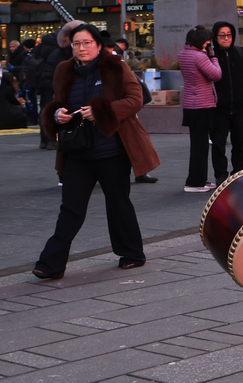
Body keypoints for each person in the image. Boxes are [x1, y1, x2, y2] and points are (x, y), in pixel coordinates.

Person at [33, 24, 157, 279]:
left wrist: (100, 111)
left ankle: (132, 253)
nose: (82, 48)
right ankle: (50, 264)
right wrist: (57, 114)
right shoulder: (63, 69)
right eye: (76, 44)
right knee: (70, 208)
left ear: (98, 45)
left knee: (118, 203)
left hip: (112, 150)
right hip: (77, 151)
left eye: (87, 43)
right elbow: (56, 101)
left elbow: (135, 100)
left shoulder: (116, 66)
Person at [210, 21, 243, 184]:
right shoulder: (211, 56)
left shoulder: (241, 53)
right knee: (218, 145)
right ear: (215, 37)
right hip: (218, 109)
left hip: (240, 107)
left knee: (240, 144)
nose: (226, 38)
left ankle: (239, 173)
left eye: (229, 35)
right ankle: (220, 175)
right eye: (222, 35)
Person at [179, 26, 221, 193]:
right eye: (206, 41)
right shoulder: (200, 57)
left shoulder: (183, 54)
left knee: (198, 143)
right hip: (202, 104)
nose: (208, 44)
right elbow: (216, 75)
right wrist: (213, 57)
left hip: (191, 104)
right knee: (200, 146)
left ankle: (199, 179)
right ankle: (195, 182)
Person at [29, 32, 59, 149]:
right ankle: (52, 140)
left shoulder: (37, 50)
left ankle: (44, 140)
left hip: (40, 85)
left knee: (44, 112)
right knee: (53, 112)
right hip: (51, 85)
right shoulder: (55, 52)